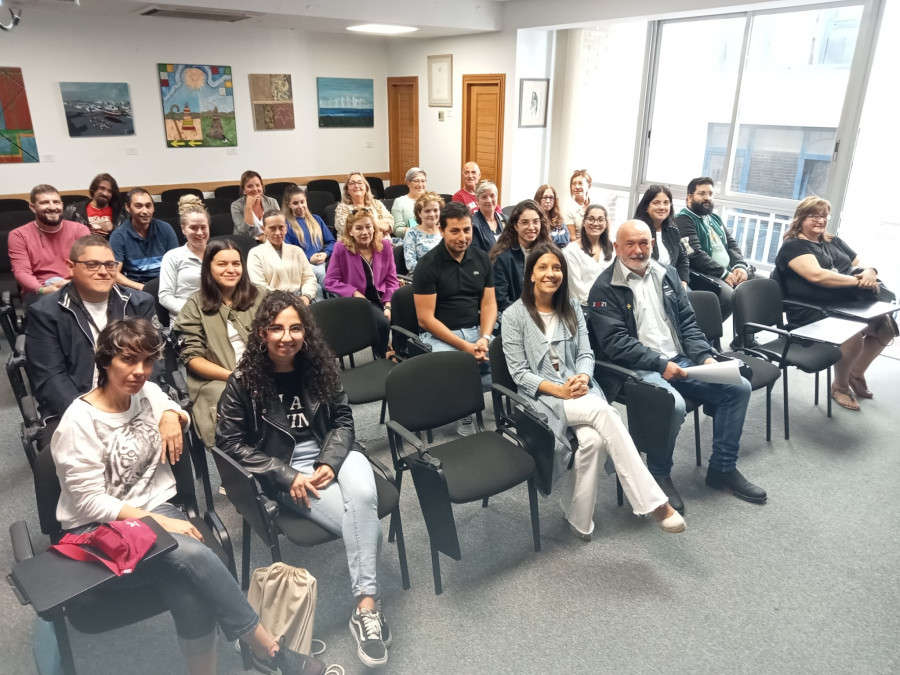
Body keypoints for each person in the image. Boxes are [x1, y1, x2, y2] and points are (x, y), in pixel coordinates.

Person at [51, 317, 308, 675]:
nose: (139, 371)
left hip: (154, 509)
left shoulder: (146, 393)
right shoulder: (78, 422)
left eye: (147, 362)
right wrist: (155, 520)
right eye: (127, 360)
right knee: (190, 555)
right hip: (98, 529)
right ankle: (267, 648)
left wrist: (174, 415)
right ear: (106, 361)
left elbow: (174, 405)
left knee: (189, 590)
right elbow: (88, 501)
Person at [216, 292, 392, 668]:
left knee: (362, 494)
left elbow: (343, 421)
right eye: (277, 328)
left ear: (305, 332)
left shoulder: (318, 366)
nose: (287, 336)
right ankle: (368, 609)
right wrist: (286, 474)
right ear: (262, 332)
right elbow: (228, 443)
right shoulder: (244, 381)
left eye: (296, 327)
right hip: (289, 470)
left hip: (338, 453)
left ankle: (364, 607)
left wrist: (330, 459)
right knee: (362, 524)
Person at [502, 242, 685, 540]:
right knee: (605, 411)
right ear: (531, 275)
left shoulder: (572, 307)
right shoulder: (514, 316)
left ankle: (578, 517)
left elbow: (587, 354)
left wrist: (584, 378)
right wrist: (559, 391)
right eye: (543, 268)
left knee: (594, 442)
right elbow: (519, 373)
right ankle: (654, 503)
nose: (551, 274)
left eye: (557, 267)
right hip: (541, 398)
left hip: (578, 389)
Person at [588, 220, 763, 512]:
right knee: (674, 404)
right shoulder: (605, 287)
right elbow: (615, 344)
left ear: (652, 245)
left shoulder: (666, 274)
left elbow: (688, 325)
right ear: (616, 247)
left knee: (738, 388)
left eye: (644, 243)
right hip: (636, 367)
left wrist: (705, 357)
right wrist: (659, 363)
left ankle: (722, 469)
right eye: (629, 244)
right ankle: (658, 474)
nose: (638, 250)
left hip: (681, 360)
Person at [26, 234, 160, 443]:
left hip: (135, 397)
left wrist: (139, 405)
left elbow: (154, 360)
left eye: (109, 265)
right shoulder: (45, 313)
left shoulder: (139, 303)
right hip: (75, 404)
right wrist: (92, 415)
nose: (103, 272)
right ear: (71, 267)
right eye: (92, 265)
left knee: (168, 440)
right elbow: (50, 378)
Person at [775, 196, 895, 411]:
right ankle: (840, 386)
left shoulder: (833, 241)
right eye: (814, 216)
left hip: (843, 305)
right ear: (801, 218)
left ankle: (855, 373)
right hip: (810, 311)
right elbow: (818, 276)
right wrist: (859, 282)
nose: (820, 221)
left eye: (824, 216)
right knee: (852, 335)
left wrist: (871, 272)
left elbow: (859, 264)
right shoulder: (793, 246)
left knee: (886, 328)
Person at [173, 239, 266, 448]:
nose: (231, 270)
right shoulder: (194, 307)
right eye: (222, 264)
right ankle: (235, 469)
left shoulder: (260, 295)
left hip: (263, 369)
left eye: (236, 263)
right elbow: (191, 358)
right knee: (224, 398)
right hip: (219, 377)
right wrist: (236, 377)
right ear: (209, 267)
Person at [413, 202, 497, 419]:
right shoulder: (427, 265)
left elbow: (488, 304)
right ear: (441, 231)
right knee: (458, 367)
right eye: (455, 231)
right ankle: (464, 416)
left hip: (476, 331)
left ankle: (500, 410)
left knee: (509, 355)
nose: (462, 237)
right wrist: (464, 347)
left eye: (467, 230)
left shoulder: (481, 259)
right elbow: (425, 319)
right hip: (440, 335)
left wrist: (485, 338)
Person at [674, 177, 753, 324]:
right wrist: (723, 274)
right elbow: (694, 254)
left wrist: (739, 266)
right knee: (729, 297)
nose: (707, 198)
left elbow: (732, 245)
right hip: (700, 273)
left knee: (755, 286)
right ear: (689, 197)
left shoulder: (714, 218)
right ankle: (704, 336)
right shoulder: (683, 220)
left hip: (725, 270)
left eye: (710, 194)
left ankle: (744, 339)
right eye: (702, 193)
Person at [324, 209, 398, 358]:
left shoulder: (384, 246)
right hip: (359, 302)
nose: (365, 232)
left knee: (406, 314)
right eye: (359, 228)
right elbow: (330, 281)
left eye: (368, 226)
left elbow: (391, 279)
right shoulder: (341, 248)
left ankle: (399, 351)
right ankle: (381, 357)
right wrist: (353, 292)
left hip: (382, 296)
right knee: (383, 323)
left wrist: (389, 303)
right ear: (350, 231)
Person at [9, 184, 90, 305]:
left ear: (62, 205)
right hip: (39, 292)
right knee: (54, 282)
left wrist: (71, 283)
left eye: (56, 202)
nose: (52, 207)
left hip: (76, 286)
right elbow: (22, 272)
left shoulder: (80, 230)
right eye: (45, 203)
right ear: (33, 207)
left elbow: (89, 265)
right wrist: (44, 289)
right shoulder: (18, 235)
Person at [109, 188, 179, 291]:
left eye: (148, 206)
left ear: (153, 208)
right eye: (139, 206)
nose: (145, 211)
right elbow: (113, 273)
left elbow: (177, 265)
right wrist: (143, 288)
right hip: (136, 289)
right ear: (128, 208)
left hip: (166, 286)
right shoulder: (118, 236)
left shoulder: (165, 229)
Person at [490, 199, 552, 315]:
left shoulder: (548, 254)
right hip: (514, 315)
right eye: (524, 222)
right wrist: (527, 317)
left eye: (535, 222)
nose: (531, 227)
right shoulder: (502, 257)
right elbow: (502, 301)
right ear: (515, 226)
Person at [247, 209, 317, 303]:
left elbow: (309, 278)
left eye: (281, 227)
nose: (278, 233)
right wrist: (288, 302)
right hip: (272, 302)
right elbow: (260, 286)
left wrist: (306, 297)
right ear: (263, 229)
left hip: (301, 299)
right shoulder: (255, 254)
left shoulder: (297, 251)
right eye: (272, 228)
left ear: (286, 228)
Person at [158, 195, 209, 321]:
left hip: (217, 317)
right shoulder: (172, 257)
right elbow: (165, 296)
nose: (199, 233)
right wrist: (195, 313)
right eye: (193, 228)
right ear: (183, 229)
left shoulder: (218, 254)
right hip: (186, 319)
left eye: (203, 227)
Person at [281, 185, 335, 298]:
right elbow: (289, 252)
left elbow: (331, 242)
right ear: (288, 204)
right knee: (322, 278)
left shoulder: (316, 219)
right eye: (295, 203)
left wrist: (325, 254)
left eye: (302, 202)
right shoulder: (287, 225)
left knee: (323, 283)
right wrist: (309, 259)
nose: (300, 206)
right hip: (303, 265)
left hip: (323, 261)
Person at [634, 184, 689, 289]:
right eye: (656, 203)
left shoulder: (673, 229)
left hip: (672, 282)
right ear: (646, 207)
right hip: (646, 286)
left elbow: (683, 259)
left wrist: (683, 282)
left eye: (666, 203)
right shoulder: (637, 230)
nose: (662, 207)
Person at [563, 204, 614, 306]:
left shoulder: (611, 248)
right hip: (582, 308)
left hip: (607, 306)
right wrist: (601, 304)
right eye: (591, 219)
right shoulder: (571, 251)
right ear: (583, 222)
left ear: (606, 223)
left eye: (600, 220)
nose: (595, 223)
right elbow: (576, 290)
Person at [63, 172, 126, 237]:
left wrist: (113, 228)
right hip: (83, 245)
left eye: (109, 191)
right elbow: (65, 235)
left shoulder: (121, 213)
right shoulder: (73, 211)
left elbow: (127, 236)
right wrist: (86, 231)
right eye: (102, 188)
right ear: (94, 189)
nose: (105, 193)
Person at [334, 172, 393, 237]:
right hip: (353, 246)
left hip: (384, 244)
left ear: (366, 188)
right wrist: (380, 229)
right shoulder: (342, 208)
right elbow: (348, 230)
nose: (356, 186)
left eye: (360, 183)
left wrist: (363, 226)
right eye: (352, 183)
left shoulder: (377, 203)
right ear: (347, 190)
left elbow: (390, 223)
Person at [230, 170, 280, 239]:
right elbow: (243, 232)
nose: (255, 189)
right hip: (246, 243)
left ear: (262, 187)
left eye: (257, 185)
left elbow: (279, 225)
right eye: (250, 186)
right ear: (244, 190)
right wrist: (248, 207)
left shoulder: (272, 202)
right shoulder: (236, 205)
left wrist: (264, 238)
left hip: (269, 241)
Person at [402, 192, 444, 273]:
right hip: (423, 276)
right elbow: (411, 265)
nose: (432, 214)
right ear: (419, 213)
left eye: (435, 210)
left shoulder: (444, 230)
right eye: (427, 211)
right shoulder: (412, 233)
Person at [470, 180, 506, 253]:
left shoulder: (506, 220)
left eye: (492, 196)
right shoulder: (474, 224)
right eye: (484, 197)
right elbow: (477, 255)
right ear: (477, 200)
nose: (489, 200)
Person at [390, 167, 427, 238]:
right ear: (408, 183)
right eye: (416, 181)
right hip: (410, 240)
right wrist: (419, 231)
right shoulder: (400, 202)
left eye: (423, 181)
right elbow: (397, 230)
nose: (420, 184)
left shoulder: (432, 200)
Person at [564, 169, 592, 241]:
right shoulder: (569, 210)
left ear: (589, 185)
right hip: (579, 248)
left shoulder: (598, 205)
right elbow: (572, 238)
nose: (577, 187)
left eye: (580, 183)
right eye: (574, 184)